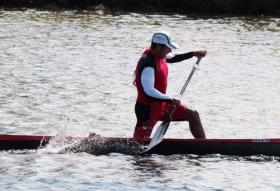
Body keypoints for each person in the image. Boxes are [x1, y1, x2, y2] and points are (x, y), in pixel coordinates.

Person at [133, 31, 207, 139]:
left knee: (193, 114)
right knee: (139, 144)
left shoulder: (160, 55)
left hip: (162, 105)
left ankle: (203, 146)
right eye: (168, 47)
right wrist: (171, 99)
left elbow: (172, 57)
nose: (170, 50)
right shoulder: (148, 63)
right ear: (159, 46)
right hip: (147, 110)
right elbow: (148, 91)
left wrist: (193, 53)